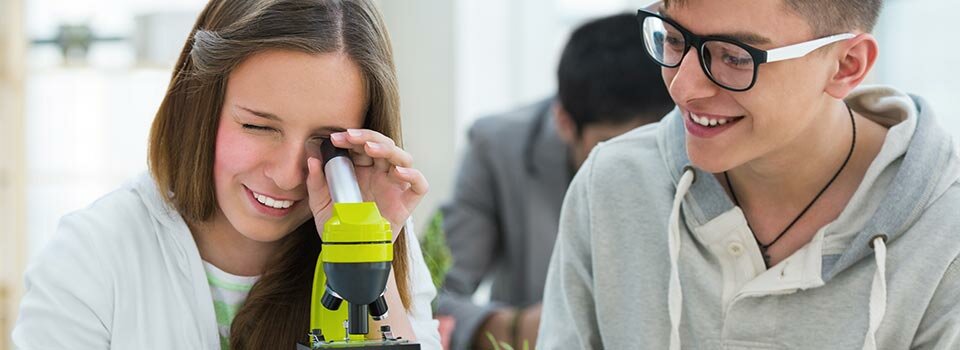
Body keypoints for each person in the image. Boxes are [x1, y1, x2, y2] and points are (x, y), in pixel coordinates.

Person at [13, 0, 441, 349]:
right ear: (199, 105)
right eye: (257, 126)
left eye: (326, 141)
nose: (288, 175)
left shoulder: (374, 239)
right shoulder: (91, 256)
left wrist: (364, 255)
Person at [538, 0, 960, 349]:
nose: (683, 87)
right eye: (673, 38)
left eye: (735, 57)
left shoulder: (946, 235)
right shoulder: (612, 182)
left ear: (847, 65)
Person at [437, 14, 675, 350]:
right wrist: (517, 328)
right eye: (609, 145)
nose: (631, 165)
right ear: (564, 122)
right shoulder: (496, 148)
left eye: (645, 143)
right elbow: (426, 299)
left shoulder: (688, 143)